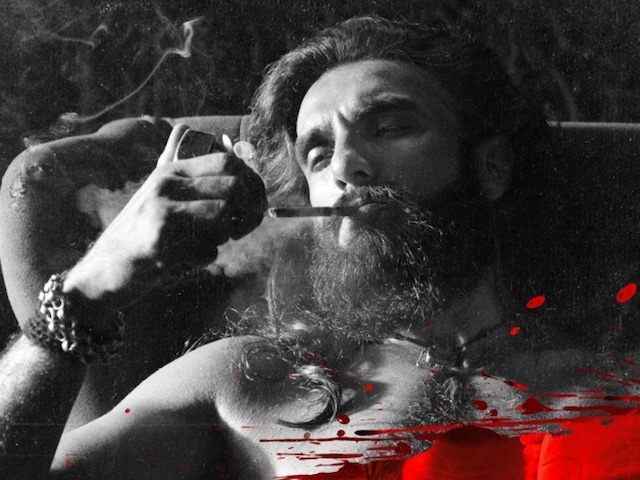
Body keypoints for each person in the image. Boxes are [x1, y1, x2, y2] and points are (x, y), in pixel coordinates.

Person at [1, 15, 640, 479]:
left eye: (390, 126)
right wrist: (87, 290)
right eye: (317, 152)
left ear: (490, 167)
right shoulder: (248, 380)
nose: (345, 167)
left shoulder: (617, 377)